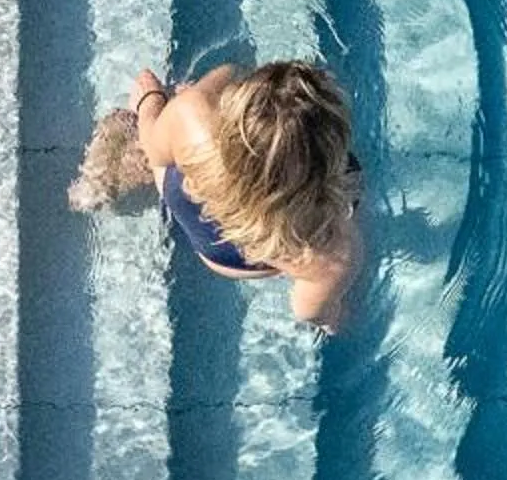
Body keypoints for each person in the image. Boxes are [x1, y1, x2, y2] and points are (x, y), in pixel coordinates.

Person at [125, 60, 365, 333]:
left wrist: (151, 101)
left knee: (210, 88)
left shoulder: (192, 113)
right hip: (265, 251)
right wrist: (335, 318)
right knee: (349, 217)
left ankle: (146, 120)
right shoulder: (335, 252)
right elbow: (308, 312)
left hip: (211, 227)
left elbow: (155, 151)